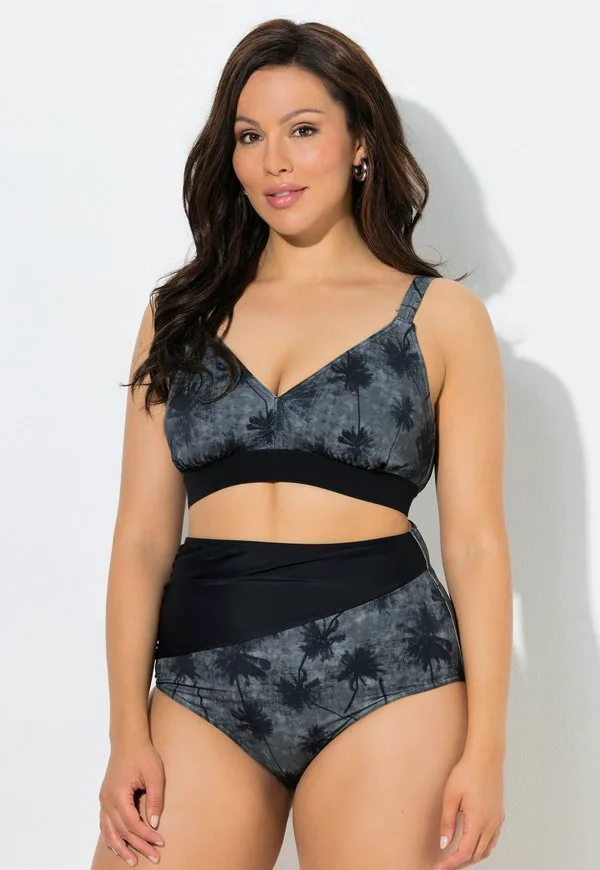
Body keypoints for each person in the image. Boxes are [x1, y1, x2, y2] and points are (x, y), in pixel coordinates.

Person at [90, 17, 511, 870]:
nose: (274, 161)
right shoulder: (180, 316)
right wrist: (125, 731)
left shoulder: (442, 318)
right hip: (203, 678)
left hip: (389, 671)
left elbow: (475, 544)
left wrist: (488, 750)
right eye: (250, 136)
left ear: (360, 143)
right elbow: (139, 541)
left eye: (303, 130)